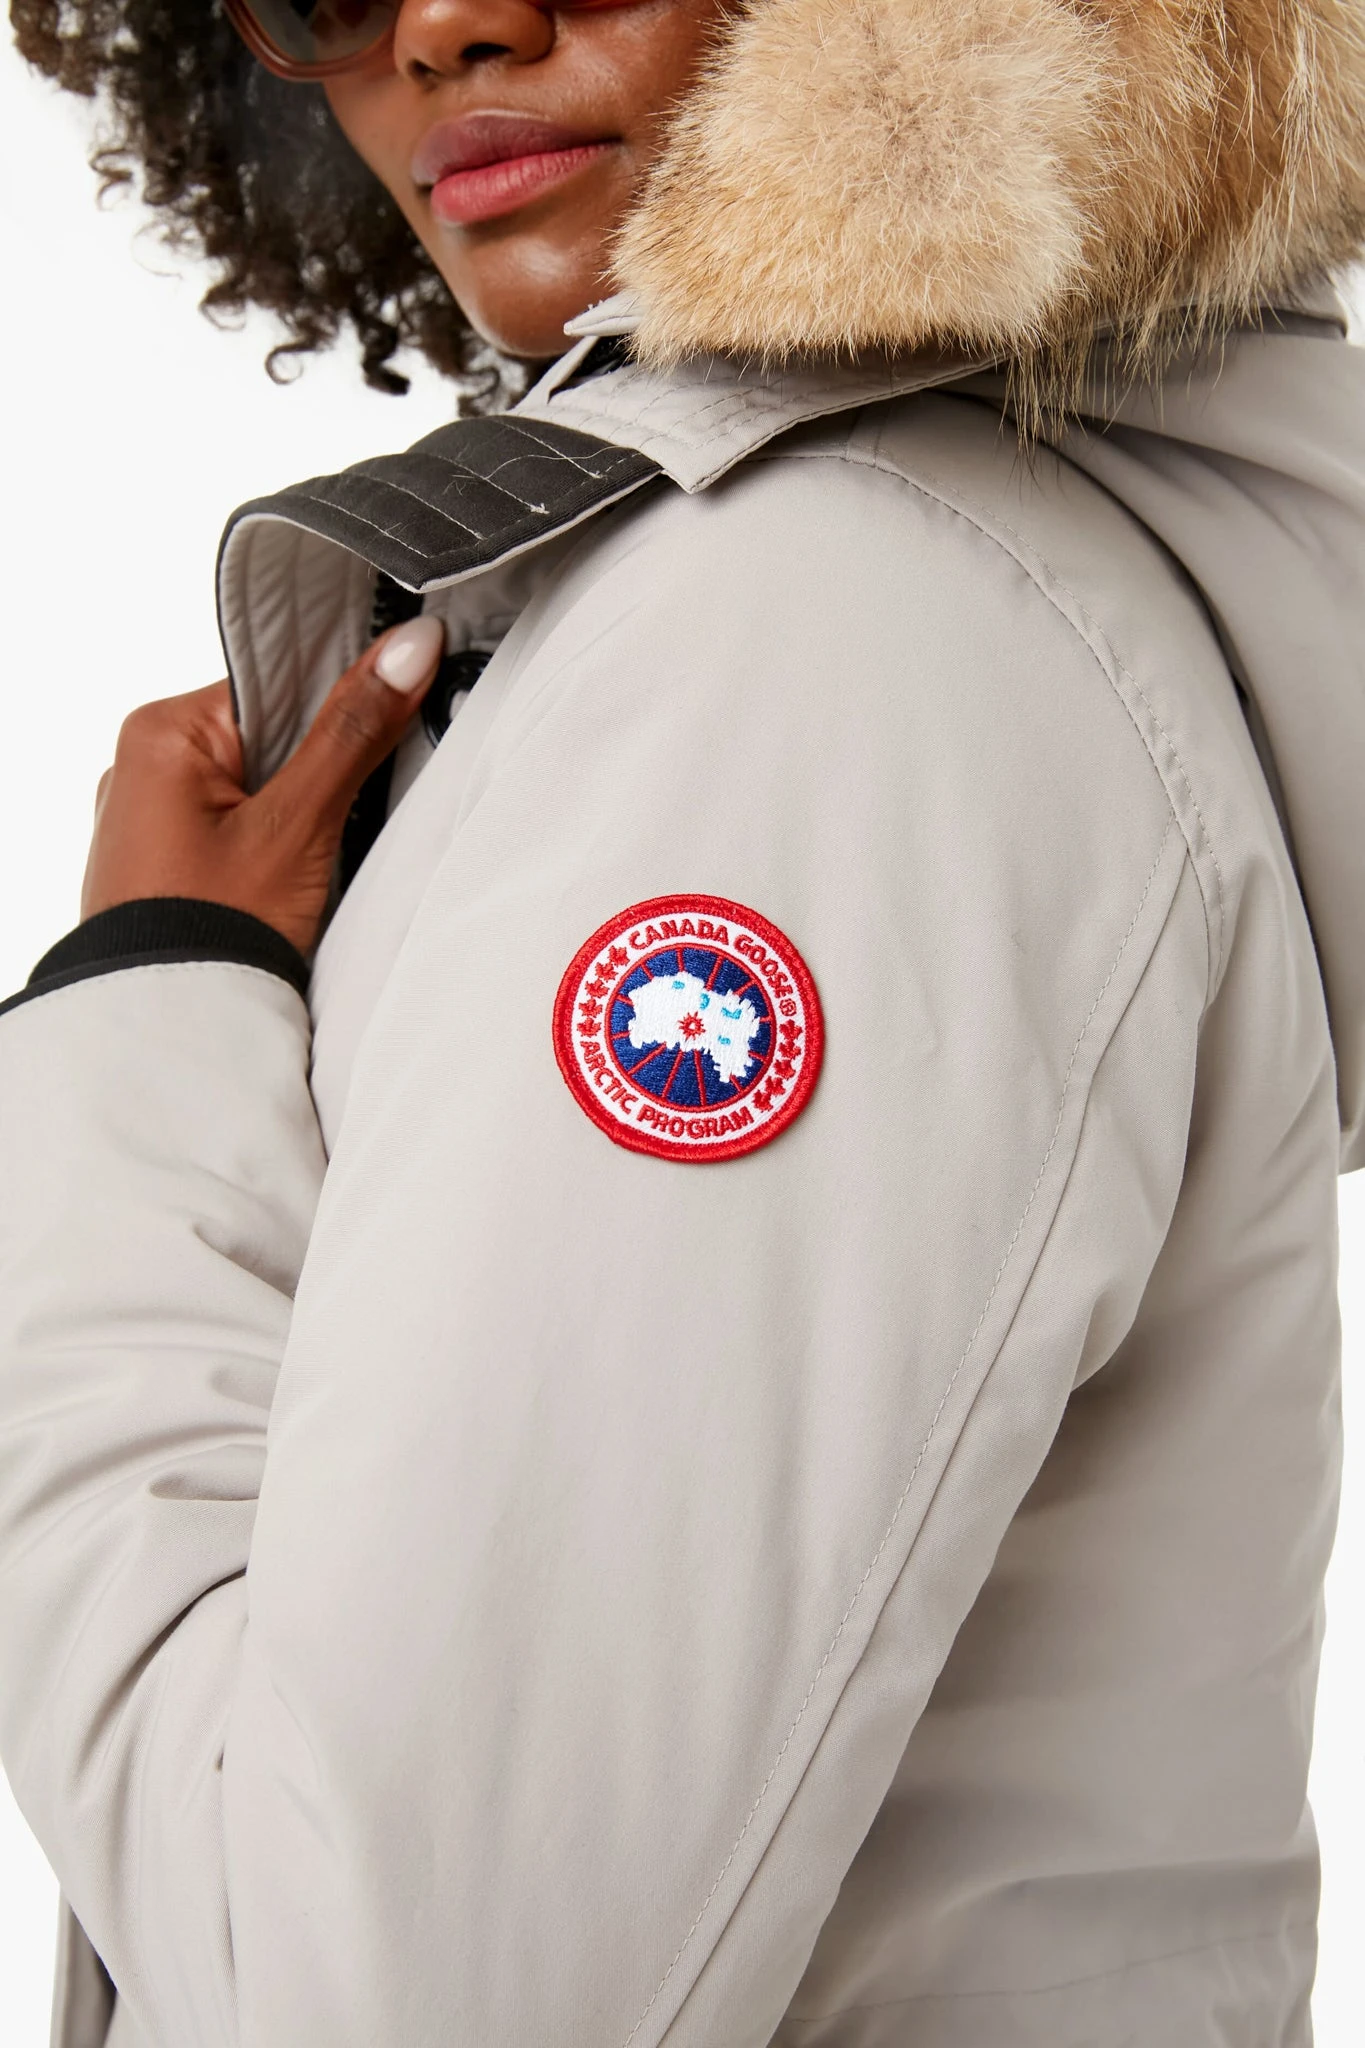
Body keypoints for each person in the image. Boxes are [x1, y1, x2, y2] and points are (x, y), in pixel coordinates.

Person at [2, 1, 1364, 2043]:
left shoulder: (825, 641)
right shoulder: (813, 593)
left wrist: (144, 1018)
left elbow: (383, 2002)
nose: (445, 21)